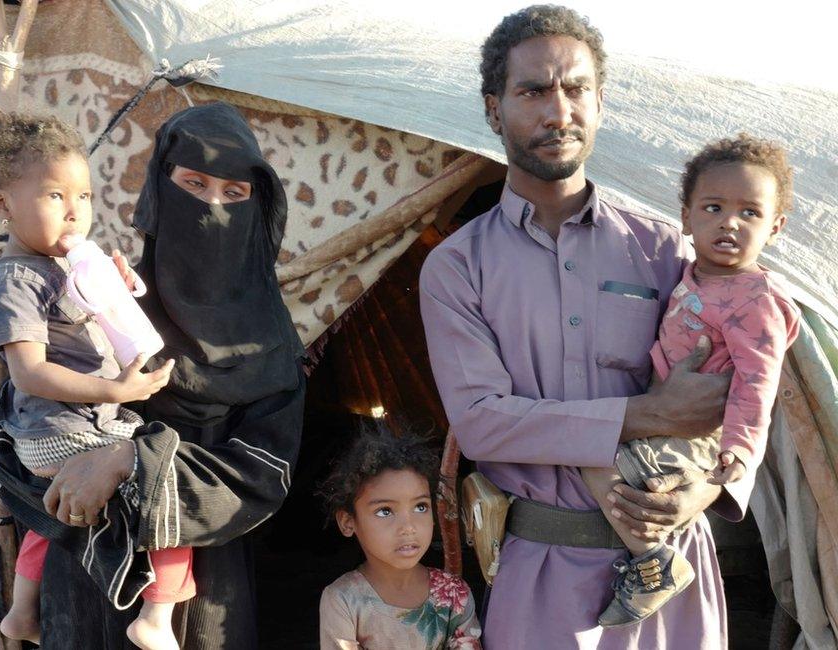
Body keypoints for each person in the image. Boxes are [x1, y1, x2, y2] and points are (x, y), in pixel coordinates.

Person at [419, 6, 750, 648]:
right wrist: (651, 414)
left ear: (600, 102)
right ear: (495, 109)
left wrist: (710, 489)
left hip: (675, 567)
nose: (558, 111)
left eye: (575, 89)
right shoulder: (457, 267)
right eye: (533, 91)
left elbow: (741, 388)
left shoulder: (666, 250)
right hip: (543, 571)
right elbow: (484, 420)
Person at [15, 102, 307, 649]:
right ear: (160, 191)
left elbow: (264, 476)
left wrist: (131, 460)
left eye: (235, 194)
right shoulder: (97, 298)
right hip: (84, 582)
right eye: (193, 184)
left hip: (202, 599)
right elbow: (16, 425)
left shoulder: (270, 344)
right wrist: (72, 456)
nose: (213, 207)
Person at [0, 112, 196, 650]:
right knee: (166, 477)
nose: (75, 214)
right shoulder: (16, 280)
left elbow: (95, 321)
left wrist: (114, 286)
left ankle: (21, 613)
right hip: (61, 429)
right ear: (3, 205)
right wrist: (115, 392)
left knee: (54, 510)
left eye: (85, 197)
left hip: (71, 423)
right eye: (55, 197)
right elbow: (28, 370)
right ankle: (157, 614)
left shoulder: (59, 266)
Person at [582, 133, 800, 626]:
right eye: (714, 207)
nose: (730, 222)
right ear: (686, 217)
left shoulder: (755, 300)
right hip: (666, 419)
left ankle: (653, 561)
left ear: (775, 227)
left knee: (590, 456)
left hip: (698, 436)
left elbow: (756, 383)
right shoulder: (689, 274)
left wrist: (740, 451)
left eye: (750, 213)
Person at [318, 426, 482, 649]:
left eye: (421, 507)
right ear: (348, 522)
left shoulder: (455, 593)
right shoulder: (343, 600)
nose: (408, 527)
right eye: (385, 511)